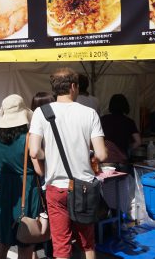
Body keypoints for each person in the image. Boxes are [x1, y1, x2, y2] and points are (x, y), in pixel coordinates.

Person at [28, 68, 107, 259]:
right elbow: (102, 155)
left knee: (61, 245)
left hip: (56, 187)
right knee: (87, 244)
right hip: (84, 187)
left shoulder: (41, 112)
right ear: (73, 86)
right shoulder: (89, 113)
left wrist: (48, 154)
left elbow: (34, 151)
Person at [0, 94, 40, 259]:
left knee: (3, 240)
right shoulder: (28, 137)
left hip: (4, 187)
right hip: (27, 187)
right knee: (25, 242)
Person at [100, 94, 141, 168]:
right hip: (122, 161)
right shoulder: (129, 121)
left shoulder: (103, 119)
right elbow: (138, 142)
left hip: (105, 160)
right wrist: (128, 149)